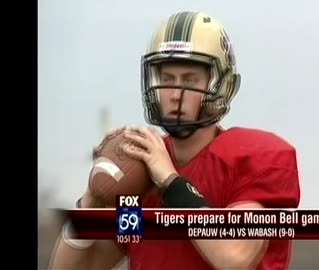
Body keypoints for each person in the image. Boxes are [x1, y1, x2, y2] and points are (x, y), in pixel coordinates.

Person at [49, 11, 301, 270]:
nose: (174, 93)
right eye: (167, 79)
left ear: (219, 86)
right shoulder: (141, 175)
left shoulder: (253, 158)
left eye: (189, 80)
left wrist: (171, 183)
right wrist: (90, 204)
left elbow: (234, 257)